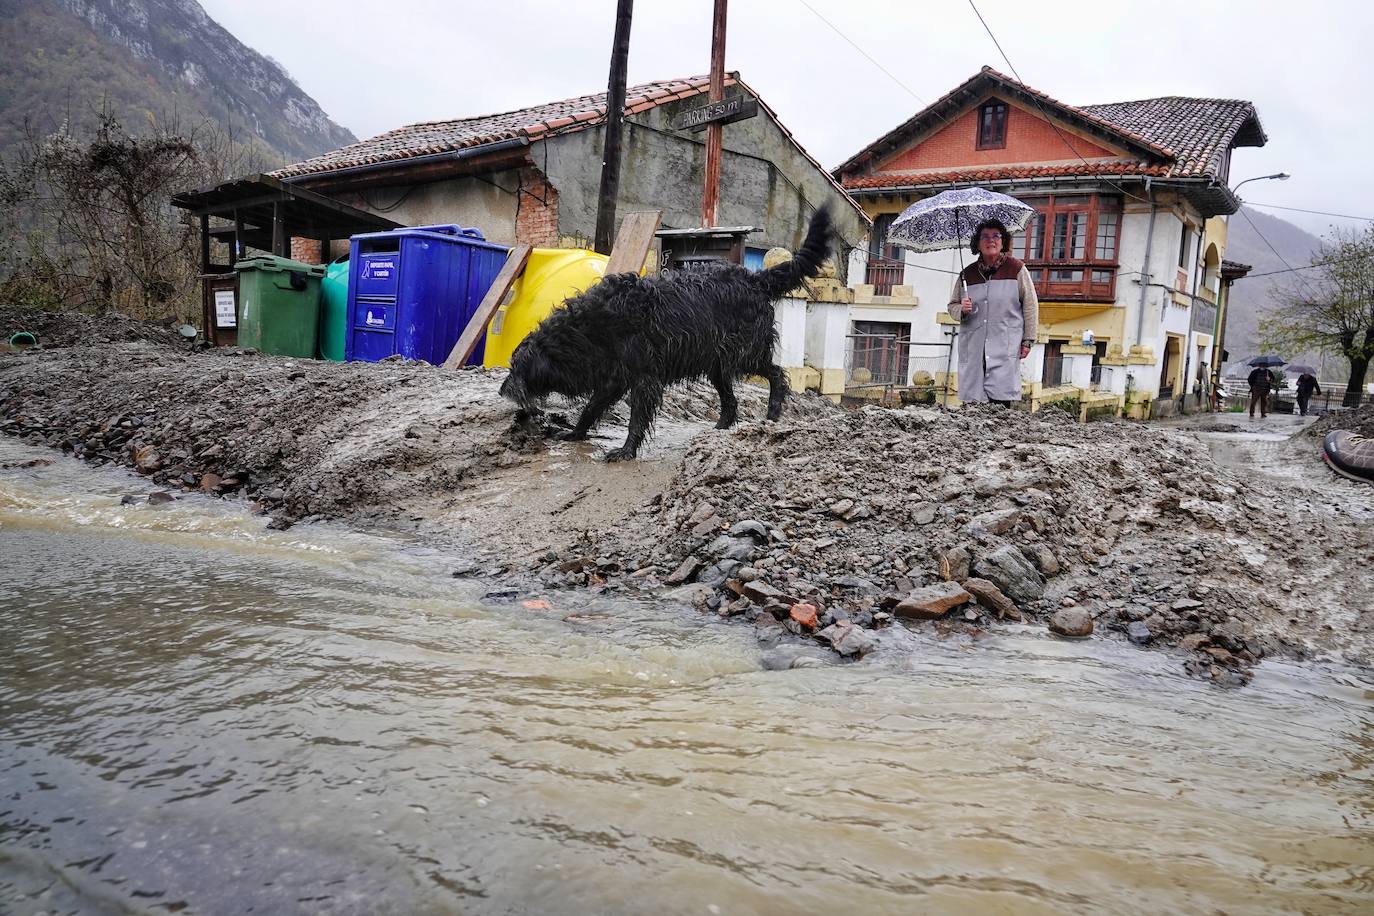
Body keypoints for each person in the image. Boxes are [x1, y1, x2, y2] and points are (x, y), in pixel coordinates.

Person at [946, 219, 1039, 405]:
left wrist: (1028, 340)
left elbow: (1030, 304)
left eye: (996, 236)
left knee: (1000, 405)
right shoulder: (967, 274)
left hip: (1004, 346)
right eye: (985, 237)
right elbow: (952, 306)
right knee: (973, 403)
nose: (991, 240)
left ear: (1003, 241)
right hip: (974, 348)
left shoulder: (1017, 269)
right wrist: (962, 310)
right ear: (978, 243)